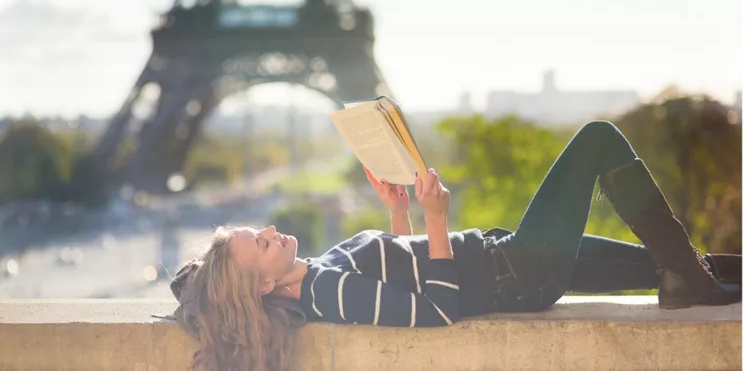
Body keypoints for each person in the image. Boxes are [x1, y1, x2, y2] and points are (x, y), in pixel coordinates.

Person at [169, 120, 741, 371]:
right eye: (263, 245)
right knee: (597, 139)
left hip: (513, 263)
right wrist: (436, 217)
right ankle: (687, 281)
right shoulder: (325, 289)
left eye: (262, 232)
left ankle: (689, 279)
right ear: (266, 284)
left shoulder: (317, 277)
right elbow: (436, 308)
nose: (272, 233)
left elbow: (402, 278)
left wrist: (399, 214)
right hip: (517, 271)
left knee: (681, 262)